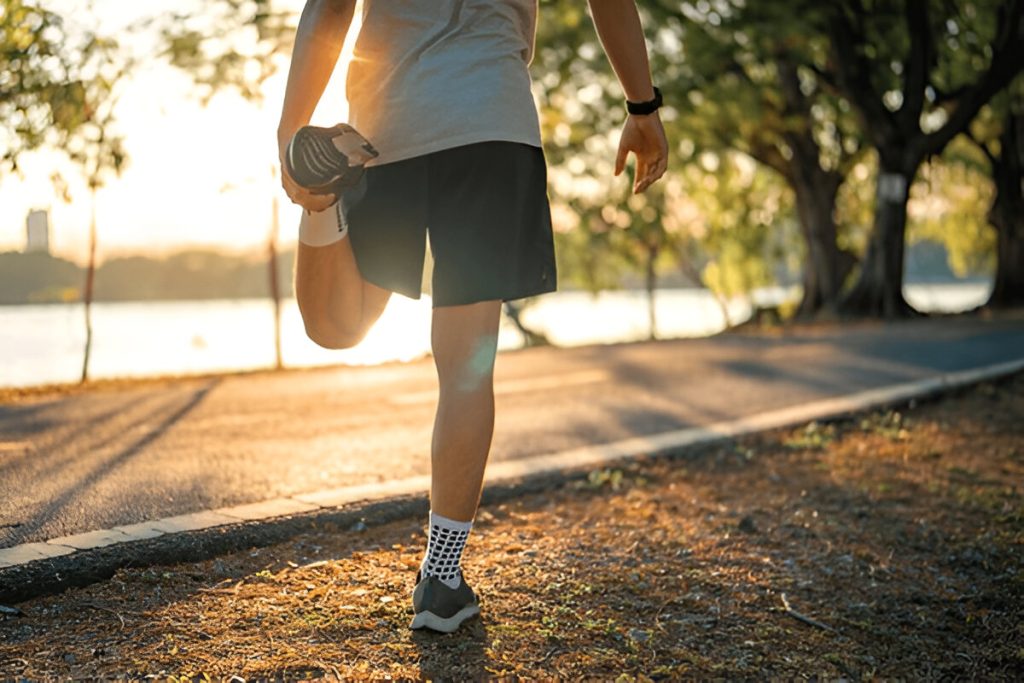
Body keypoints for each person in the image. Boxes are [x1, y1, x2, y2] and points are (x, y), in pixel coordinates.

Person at [277, 0, 668, 633]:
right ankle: (442, 577)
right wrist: (642, 107)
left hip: (388, 122)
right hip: (490, 124)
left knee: (337, 325)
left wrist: (291, 133)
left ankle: (322, 200)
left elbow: (329, 9)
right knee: (465, 366)